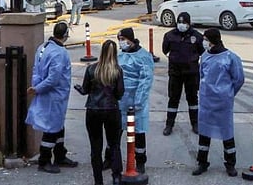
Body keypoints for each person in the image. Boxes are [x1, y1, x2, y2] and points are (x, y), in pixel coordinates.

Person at [26, 22, 79, 174]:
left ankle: (60, 154)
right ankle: (44, 160)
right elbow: (53, 79)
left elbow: (36, 70)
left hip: (48, 94)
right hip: (55, 95)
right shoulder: (60, 53)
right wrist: (38, 88)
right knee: (51, 129)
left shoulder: (42, 47)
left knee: (58, 126)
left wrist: (36, 86)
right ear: (65, 35)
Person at [192, 28, 244, 177]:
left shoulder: (230, 58)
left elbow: (239, 79)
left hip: (223, 103)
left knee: (226, 133)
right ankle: (202, 162)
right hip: (207, 101)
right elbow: (201, 74)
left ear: (213, 40)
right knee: (204, 133)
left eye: (206, 39)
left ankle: (230, 164)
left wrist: (228, 94)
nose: (204, 42)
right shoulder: (205, 56)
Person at [76, 40, 124, 185]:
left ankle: (98, 180)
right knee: (114, 144)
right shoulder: (117, 71)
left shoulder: (92, 69)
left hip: (93, 110)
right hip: (111, 110)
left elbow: (85, 90)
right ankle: (116, 176)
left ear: (101, 52)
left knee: (95, 147)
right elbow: (120, 93)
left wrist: (78, 88)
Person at [115, 27, 154, 174]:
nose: (121, 42)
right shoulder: (119, 56)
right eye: (119, 40)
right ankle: (111, 158)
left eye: (123, 39)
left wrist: (138, 101)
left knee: (138, 133)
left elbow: (145, 80)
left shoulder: (143, 56)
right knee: (116, 131)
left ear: (130, 40)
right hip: (120, 100)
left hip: (137, 101)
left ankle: (140, 160)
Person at [161, 12, 204, 135]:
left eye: (184, 22)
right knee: (173, 99)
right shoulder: (169, 35)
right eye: (179, 22)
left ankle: (195, 123)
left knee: (192, 99)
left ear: (189, 23)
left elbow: (201, 51)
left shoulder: (196, 36)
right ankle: (169, 124)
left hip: (191, 73)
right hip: (175, 73)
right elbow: (165, 50)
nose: (181, 25)